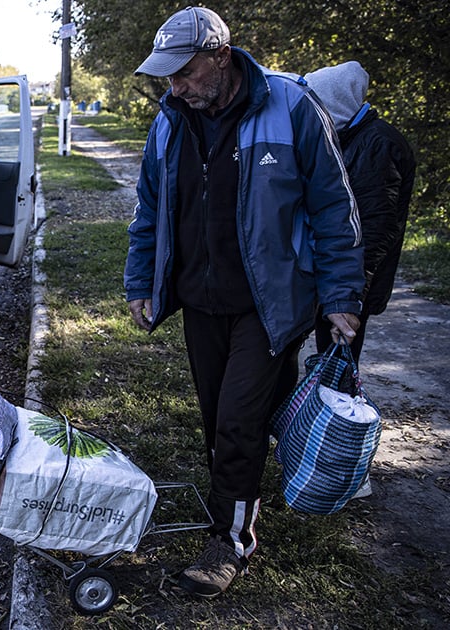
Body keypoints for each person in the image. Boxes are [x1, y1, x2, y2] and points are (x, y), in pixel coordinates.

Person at [125, 7, 365, 598]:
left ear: (221, 56)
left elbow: (335, 208)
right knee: (221, 419)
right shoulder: (171, 121)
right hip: (201, 302)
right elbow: (150, 210)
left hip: (270, 302)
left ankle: (230, 541)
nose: (174, 86)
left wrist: (340, 294)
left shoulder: (291, 106)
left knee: (237, 420)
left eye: (184, 72)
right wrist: (141, 282)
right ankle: (280, 462)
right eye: (168, 77)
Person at [305, 61, 416, 361]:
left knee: (337, 365)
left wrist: (349, 295)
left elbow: (374, 225)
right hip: (340, 276)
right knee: (331, 360)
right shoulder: (353, 139)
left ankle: (338, 407)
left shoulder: (377, 145)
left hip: (349, 282)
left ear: (335, 103)